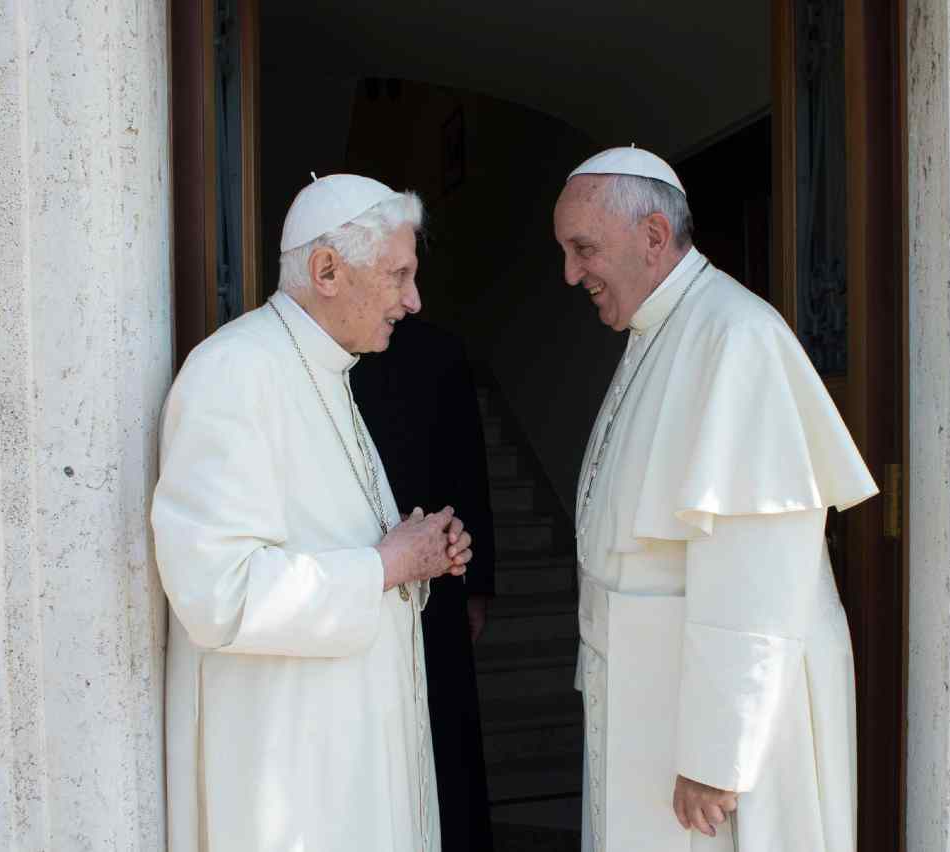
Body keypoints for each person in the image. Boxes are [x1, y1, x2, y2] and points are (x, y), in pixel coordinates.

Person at [552, 147, 878, 852]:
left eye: (583, 250)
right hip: (652, 688)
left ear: (652, 237)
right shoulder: (662, 330)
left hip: (718, 725)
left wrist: (716, 755)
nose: (571, 273)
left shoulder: (736, 336)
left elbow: (756, 567)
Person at [151, 173, 473, 852]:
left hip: (344, 764)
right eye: (398, 276)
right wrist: (386, 565)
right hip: (292, 778)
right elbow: (219, 592)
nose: (413, 302)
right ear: (328, 269)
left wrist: (417, 553)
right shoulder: (235, 372)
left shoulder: (324, 371)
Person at [352, 316, 497, 851]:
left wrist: (477, 581)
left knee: (446, 737)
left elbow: (466, 465)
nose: (409, 294)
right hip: (356, 581)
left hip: (439, 577)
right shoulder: (314, 361)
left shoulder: (441, 349)